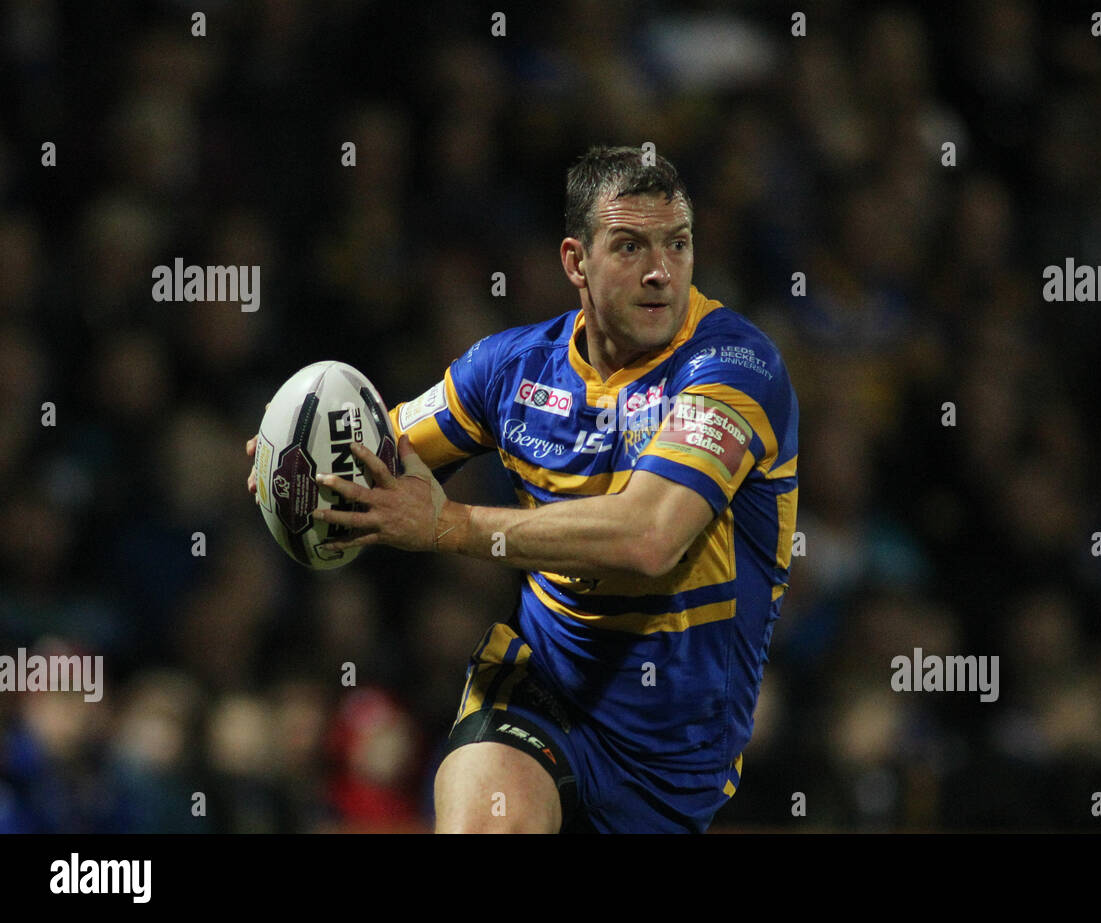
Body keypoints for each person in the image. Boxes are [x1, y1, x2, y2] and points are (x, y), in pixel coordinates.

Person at [246, 146, 798, 832]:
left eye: (677, 244)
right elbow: (377, 457)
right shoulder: (510, 368)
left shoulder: (734, 367)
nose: (660, 272)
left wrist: (446, 524)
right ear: (576, 262)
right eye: (629, 246)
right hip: (540, 692)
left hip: (676, 760)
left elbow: (650, 535)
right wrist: (298, 465)